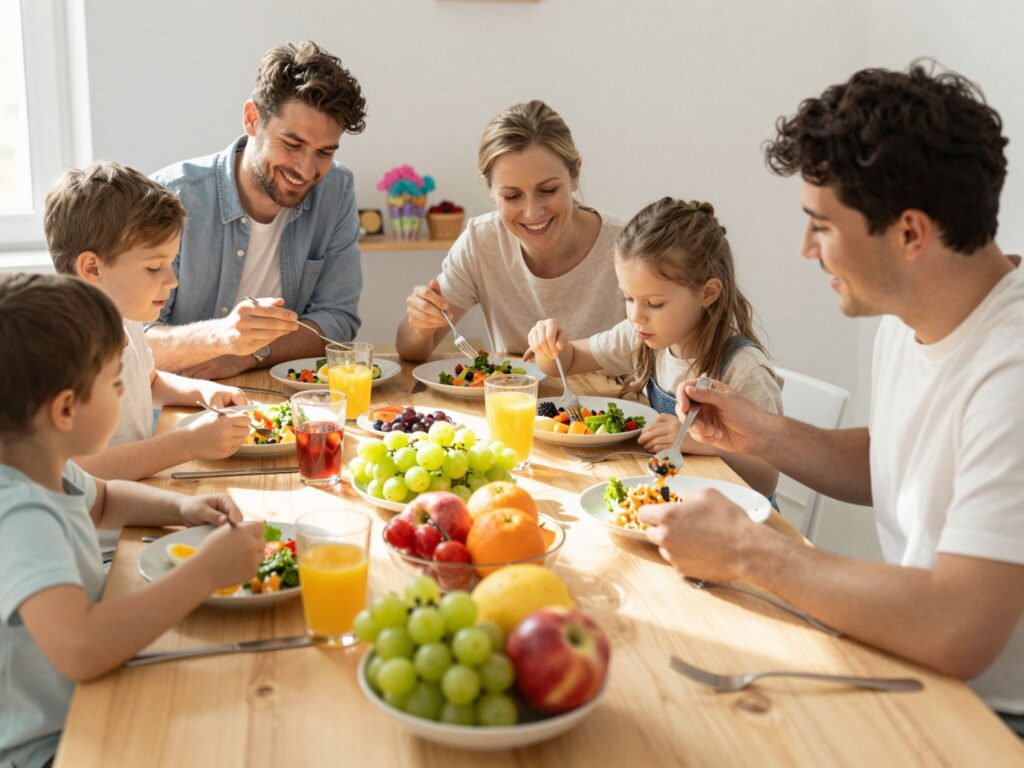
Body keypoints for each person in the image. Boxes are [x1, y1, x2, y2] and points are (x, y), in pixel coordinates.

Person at [640, 63, 1024, 730]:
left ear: (910, 234)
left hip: (988, 718)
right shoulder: (917, 315)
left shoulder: (1012, 371)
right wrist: (761, 433)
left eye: (820, 225)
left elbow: (959, 625)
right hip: (913, 668)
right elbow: (899, 457)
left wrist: (750, 553)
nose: (804, 249)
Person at [0, 273, 265, 768]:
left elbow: (103, 501)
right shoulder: (19, 513)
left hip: (89, 698)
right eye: (116, 382)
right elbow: (82, 647)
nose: (128, 392)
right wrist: (206, 571)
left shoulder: (42, 465)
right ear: (64, 409)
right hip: (51, 746)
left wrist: (183, 508)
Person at [528, 197, 782, 498]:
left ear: (708, 293)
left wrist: (694, 441)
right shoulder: (642, 337)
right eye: (629, 298)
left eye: (655, 303)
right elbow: (567, 361)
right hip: (681, 501)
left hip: (740, 520)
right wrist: (548, 344)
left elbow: (767, 478)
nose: (636, 316)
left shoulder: (743, 369)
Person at [148, 40, 368, 379]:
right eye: (293, 145)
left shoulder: (335, 190)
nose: (307, 170)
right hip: (182, 403)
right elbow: (136, 340)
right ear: (252, 119)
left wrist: (250, 354)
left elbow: (337, 318)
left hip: (277, 392)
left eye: (324, 152)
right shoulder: (170, 197)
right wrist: (221, 338)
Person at [45, 161, 251, 481]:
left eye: (171, 262)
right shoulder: (65, 353)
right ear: (93, 269)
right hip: (102, 527)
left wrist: (205, 393)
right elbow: (78, 472)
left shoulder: (125, 318)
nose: (172, 280)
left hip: (137, 499)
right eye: (154, 267)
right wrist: (186, 443)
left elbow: (150, 382)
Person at [396, 100, 625, 361]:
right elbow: (410, 350)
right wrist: (421, 324)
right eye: (512, 196)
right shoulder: (480, 243)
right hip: (513, 400)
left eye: (548, 190)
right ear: (490, 190)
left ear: (575, 174)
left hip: (610, 401)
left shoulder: (626, 245)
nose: (532, 212)